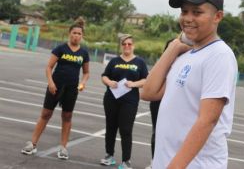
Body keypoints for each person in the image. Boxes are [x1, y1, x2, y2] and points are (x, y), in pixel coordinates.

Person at [141, 0, 238, 168]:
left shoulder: (219, 55)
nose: (187, 18)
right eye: (184, 12)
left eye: (197, 12)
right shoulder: (187, 54)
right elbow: (149, 92)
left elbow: (207, 120)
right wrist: (174, 46)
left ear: (217, 16)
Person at [21, 18, 90, 160]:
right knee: (45, 114)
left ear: (82, 36)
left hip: (71, 89)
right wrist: (51, 82)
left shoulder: (84, 53)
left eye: (79, 33)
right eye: (74, 33)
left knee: (67, 116)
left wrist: (82, 83)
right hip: (55, 86)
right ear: (69, 33)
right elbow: (49, 67)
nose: (76, 35)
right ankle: (32, 144)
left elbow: (86, 72)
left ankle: (63, 148)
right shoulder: (60, 49)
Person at [100, 34, 148, 168]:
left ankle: (126, 161)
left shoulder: (140, 62)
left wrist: (134, 84)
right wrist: (109, 82)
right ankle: (109, 155)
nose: (127, 46)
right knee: (111, 127)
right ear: (121, 46)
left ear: (133, 46)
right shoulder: (114, 61)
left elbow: (146, 80)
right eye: (124, 44)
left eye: (129, 44)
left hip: (130, 101)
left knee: (126, 129)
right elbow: (104, 76)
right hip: (111, 99)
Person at [144, 39, 174, 169]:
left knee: (172, 134)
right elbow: (149, 85)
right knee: (157, 132)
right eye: (170, 48)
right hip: (157, 102)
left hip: (174, 104)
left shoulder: (185, 63)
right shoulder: (162, 65)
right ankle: (154, 161)